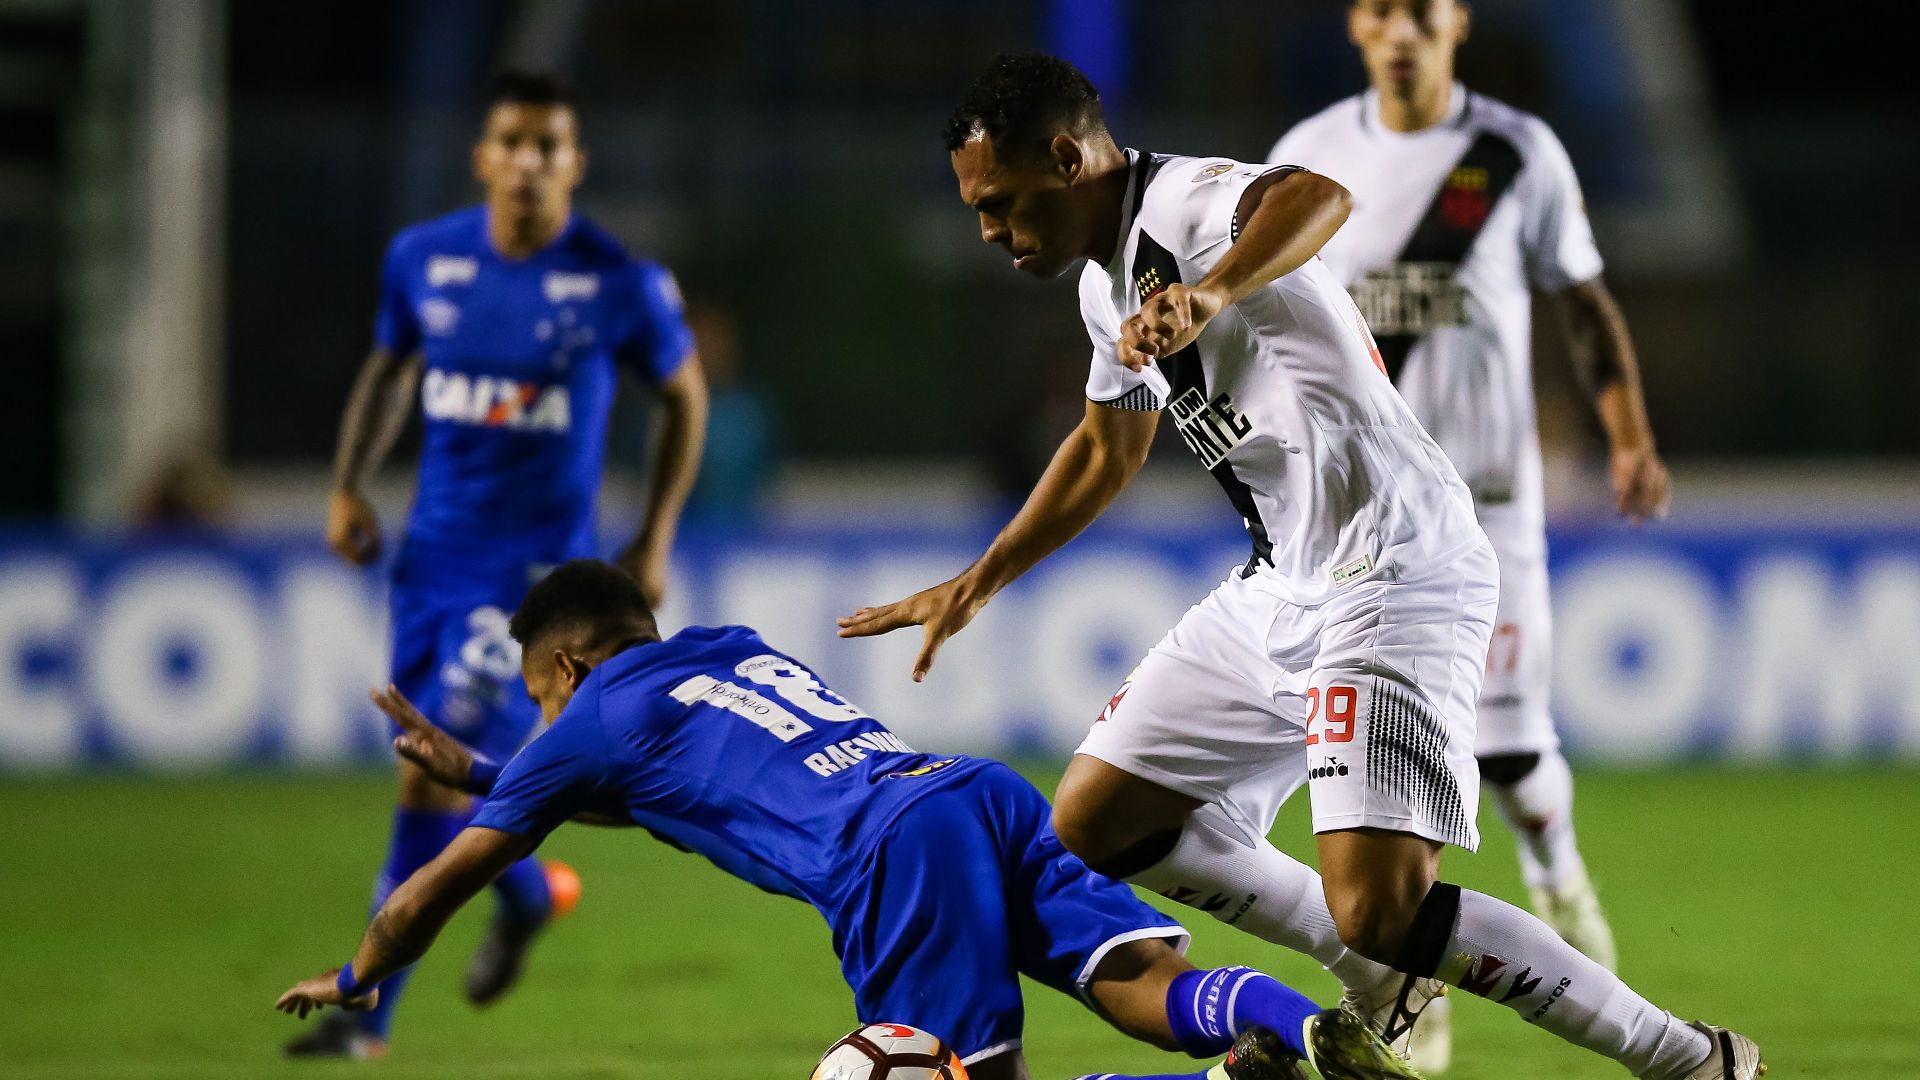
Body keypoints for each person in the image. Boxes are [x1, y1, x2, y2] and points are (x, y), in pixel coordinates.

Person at [838, 53, 1758, 1080]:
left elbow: (1319, 195)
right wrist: (980, 579)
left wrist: (1214, 288)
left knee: (1386, 902)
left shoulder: (1188, 201)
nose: (990, 233)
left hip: (1393, 563)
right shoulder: (1107, 290)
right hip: (1282, 583)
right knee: (1098, 816)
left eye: (999, 203)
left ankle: (1692, 1060)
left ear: (1065, 157)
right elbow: (1107, 449)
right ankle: (1382, 970)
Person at [272, 559, 1427, 1080]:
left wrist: (359, 971)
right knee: (1137, 981)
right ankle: (1300, 1035)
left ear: (564, 667)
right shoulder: (722, 651)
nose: (543, 722)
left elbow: (436, 887)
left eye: (538, 699)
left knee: (966, 1079)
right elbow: (669, 794)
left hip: (887, 856)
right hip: (968, 791)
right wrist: (487, 769)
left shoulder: (585, 722)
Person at [294, 71, 709, 1059]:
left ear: (574, 164)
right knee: (431, 767)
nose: (528, 163)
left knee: (424, 777)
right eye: (511, 143)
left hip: (533, 581)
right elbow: (390, 370)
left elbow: (685, 397)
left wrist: (652, 536)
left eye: (548, 146)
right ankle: (528, 892)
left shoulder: (619, 281)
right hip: (432, 558)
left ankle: (367, 1023)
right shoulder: (423, 259)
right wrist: (350, 483)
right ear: (483, 158)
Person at [1268, 0, 1669, 1013]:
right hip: (1364, 515)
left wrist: (1628, 434)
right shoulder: (1308, 155)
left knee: (1515, 754)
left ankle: (1557, 871)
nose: (1401, 29)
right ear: (1356, 26)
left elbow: (1584, 304)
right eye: (1380, 10)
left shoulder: (1514, 153)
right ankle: (1412, 993)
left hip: (1488, 508)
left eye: (1420, 9)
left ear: (1458, 21)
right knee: (1378, 757)